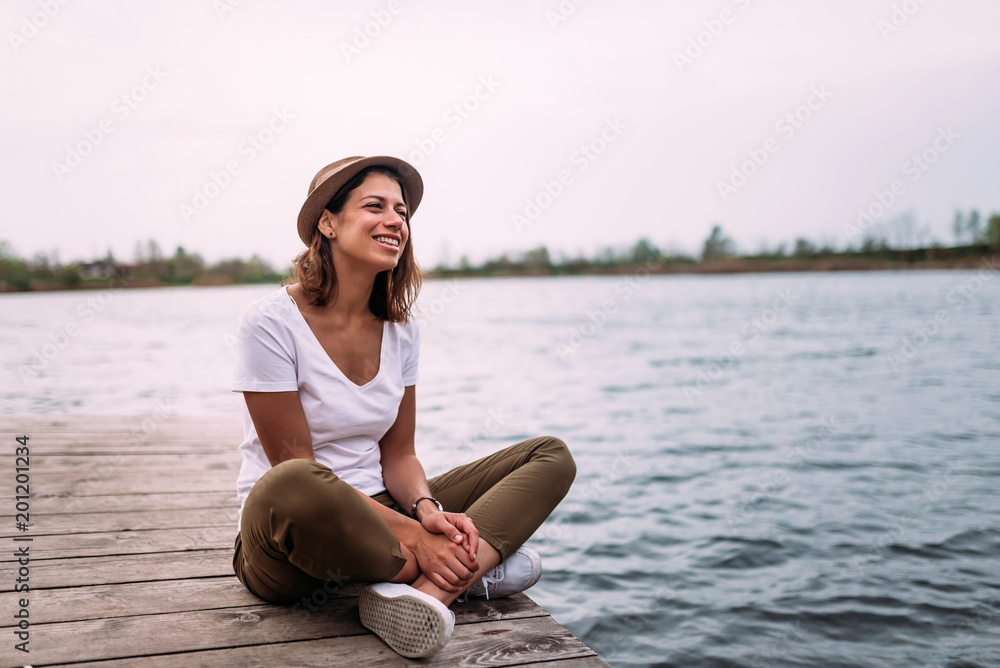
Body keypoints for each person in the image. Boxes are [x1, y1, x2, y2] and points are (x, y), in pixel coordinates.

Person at [230, 156, 576, 658]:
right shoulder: (268, 323)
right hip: (291, 536)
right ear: (327, 223)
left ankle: (428, 595)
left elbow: (399, 455)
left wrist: (427, 510)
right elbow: (292, 465)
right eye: (376, 206)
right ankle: (472, 569)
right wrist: (418, 536)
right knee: (293, 481)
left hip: (386, 515)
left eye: (403, 212)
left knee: (550, 454)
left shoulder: (401, 330)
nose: (397, 220)